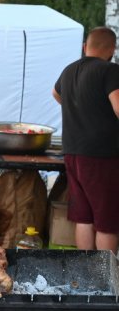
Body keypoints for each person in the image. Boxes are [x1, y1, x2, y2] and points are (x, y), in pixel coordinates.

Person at [52, 26, 119, 255]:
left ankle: (88, 277)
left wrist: (78, 108)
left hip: (72, 151)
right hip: (102, 154)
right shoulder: (111, 71)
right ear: (113, 49)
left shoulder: (69, 70)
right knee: (107, 220)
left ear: (85, 46)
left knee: (84, 217)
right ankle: (106, 282)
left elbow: (55, 93)